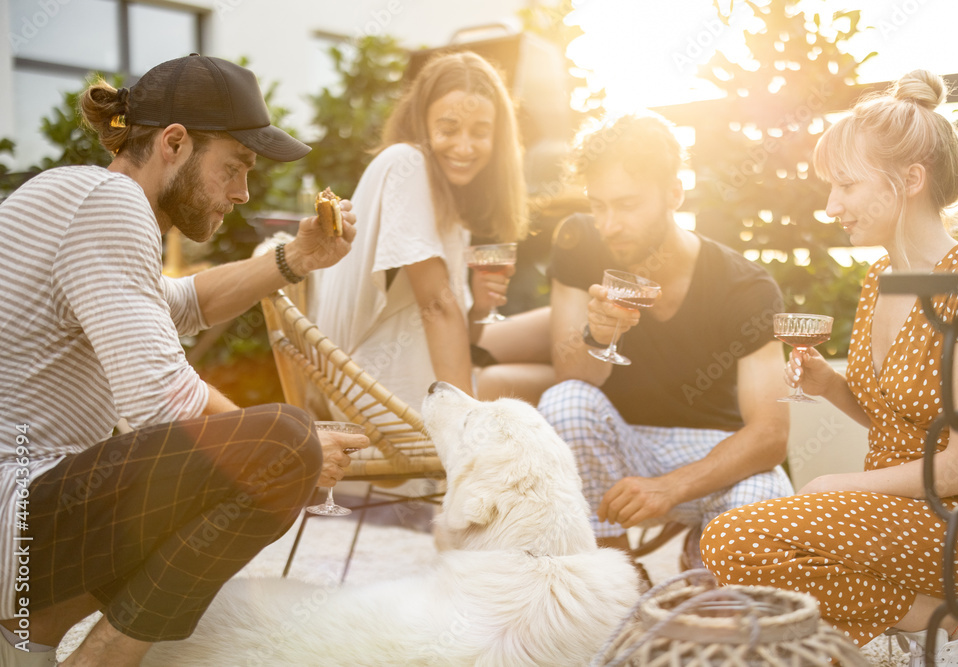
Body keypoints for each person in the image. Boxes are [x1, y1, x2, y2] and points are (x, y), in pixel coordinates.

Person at [0, 55, 367, 667]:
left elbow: (187, 301)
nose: (243, 192)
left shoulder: (79, 196)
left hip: (23, 524)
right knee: (281, 443)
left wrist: (297, 257)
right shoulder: (109, 202)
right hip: (17, 518)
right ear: (174, 143)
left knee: (263, 450)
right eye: (235, 167)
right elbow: (160, 401)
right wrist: (293, 452)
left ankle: (24, 638)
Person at [701, 70, 958, 667]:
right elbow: (898, 420)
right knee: (741, 554)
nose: (832, 206)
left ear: (910, 180)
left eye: (846, 186)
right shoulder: (878, 281)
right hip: (886, 517)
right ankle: (927, 631)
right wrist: (831, 387)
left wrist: (837, 484)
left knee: (733, 540)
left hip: (955, 526)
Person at [537, 112, 793, 574]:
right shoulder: (582, 244)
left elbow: (770, 435)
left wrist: (670, 487)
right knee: (565, 401)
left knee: (766, 499)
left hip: (712, 455)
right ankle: (615, 573)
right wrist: (599, 334)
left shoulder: (745, 287)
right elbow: (574, 378)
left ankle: (706, 560)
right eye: (598, 205)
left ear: (675, 193)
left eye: (627, 204)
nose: (609, 224)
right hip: (623, 446)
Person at [310, 51, 554, 412]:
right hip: (378, 397)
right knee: (558, 380)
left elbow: (451, 329)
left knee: (557, 335)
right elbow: (438, 310)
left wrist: (479, 307)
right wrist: (466, 429)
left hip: (399, 383)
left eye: (480, 132)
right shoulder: (407, 164)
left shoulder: (446, 198)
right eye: (449, 128)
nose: (465, 146)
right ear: (421, 122)